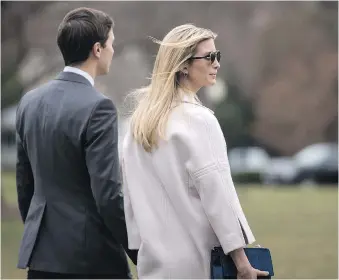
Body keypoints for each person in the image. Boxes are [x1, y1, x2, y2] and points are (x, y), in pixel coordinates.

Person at [122, 24, 269, 279]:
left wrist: (140, 252)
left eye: (217, 56)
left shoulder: (138, 125)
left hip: (153, 265)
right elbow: (218, 196)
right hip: (198, 265)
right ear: (183, 65)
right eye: (209, 57)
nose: (217, 64)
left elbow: (129, 201)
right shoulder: (199, 121)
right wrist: (242, 261)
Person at [16, 7, 137, 279]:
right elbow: (108, 197)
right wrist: (140, 253)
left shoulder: (29, 103)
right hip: (92, 263)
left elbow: (26, 188)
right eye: (111, 44)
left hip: (42, 259)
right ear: (97, 49)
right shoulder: (99, 108)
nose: (113, 51)